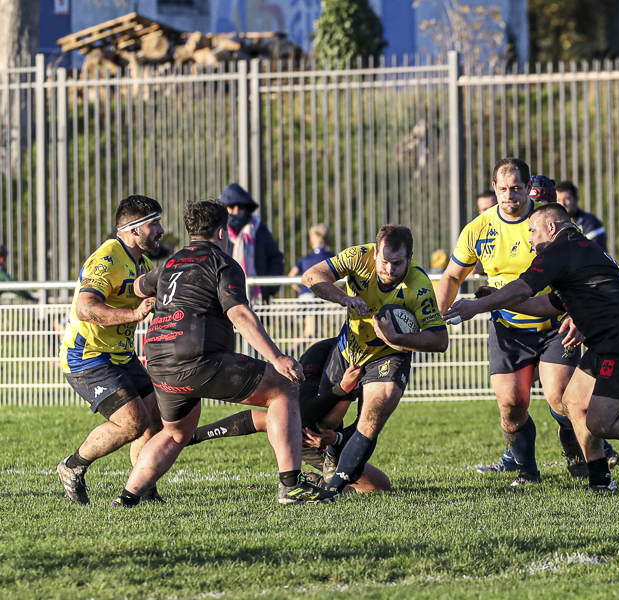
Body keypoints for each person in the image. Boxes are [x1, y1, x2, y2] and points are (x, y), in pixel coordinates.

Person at [443, 203, 619, 492]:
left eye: (532, 231)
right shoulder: (577, 248)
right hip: (610, 340)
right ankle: (600, 480)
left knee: (600, 423)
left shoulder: (560, 249)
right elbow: (548, 304)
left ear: (551, 228)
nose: (529, 239)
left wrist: (477, 305)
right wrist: (500, 298)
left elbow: (522, 288)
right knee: (574, 404)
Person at [115, 199, 336, 507]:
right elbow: (240, 315)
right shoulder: (222, 264)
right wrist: (277, 357)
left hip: (159, 361)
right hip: (199, 357)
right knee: (284, 387)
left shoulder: (169, 265)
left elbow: (139, 285)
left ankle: (127, 498)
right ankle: (290, 486)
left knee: (176, 432)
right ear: (223, 233)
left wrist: (146, 292)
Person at [439, 159, 588, 486]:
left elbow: (583, 271)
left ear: (528, 187)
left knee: (560, 397)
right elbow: (452, 275)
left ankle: (572, 443)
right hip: (507, 329)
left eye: (517, 188)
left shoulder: (549, 223)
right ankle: (527, 472)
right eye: (503, 189)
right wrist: (436, 315)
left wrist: (578, 313)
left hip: (554, 325)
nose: (510, 196)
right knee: (511, 408)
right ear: (494, 188)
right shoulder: (478, 228)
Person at [302, 224, 449, 493]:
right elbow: (312, 276)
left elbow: (440, 340)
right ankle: (335, 453)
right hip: (350, 350)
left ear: (410, 256)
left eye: (398, 263)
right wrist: (343, 298)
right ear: (375, 252)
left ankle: (333, 488)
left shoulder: (419, 287)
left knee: (371, 419)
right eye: (384, 261)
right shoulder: (358, 257)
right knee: (323, 423)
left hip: (389, 355)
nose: (390, 270)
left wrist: (397, 339)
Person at [56, 195, 165, 506]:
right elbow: (84, 308)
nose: (160, 229)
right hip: (88, 356)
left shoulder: (141, 262)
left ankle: (143, 489)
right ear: (132, 229)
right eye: (153, 223)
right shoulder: (107, 258)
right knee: (133, 422)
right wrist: (134, 314)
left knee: (155, 417)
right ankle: (72, 466)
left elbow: (141, 292)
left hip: (120, 355)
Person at [185, 337, 391, 494]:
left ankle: (319, 479)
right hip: (306, 434)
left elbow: (368, 426)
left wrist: (336, 439)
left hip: (330, 436)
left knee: (380, 486)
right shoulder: (321, 353)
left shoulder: (383, 365)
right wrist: (341, 390)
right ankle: (194, 435)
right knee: (284, 417)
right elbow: (304, 411)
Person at [220, 183, 285, 302]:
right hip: (225, 298)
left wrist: (267, 288)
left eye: (240, 206)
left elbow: (275, 259)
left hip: (258, 299)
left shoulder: (260, 229)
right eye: (231, 206)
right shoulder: (218, 231)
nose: (236, 210)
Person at [287, 224, 335, 339]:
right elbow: (341, 279)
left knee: (311, 331)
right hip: (319, 297)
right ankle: (291, 351)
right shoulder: (331, 257)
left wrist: (302, 289)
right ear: (328, 240)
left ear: (311, 241)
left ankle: (300, 352)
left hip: (304, 297)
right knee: (312, 332)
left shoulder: (305, 258)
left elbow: (291, 276)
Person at [556, 181, 607, 250]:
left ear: (576, 199)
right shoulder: (552, 225)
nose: (562, 204)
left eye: (566, 199)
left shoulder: (591, 223)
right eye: (558, 200)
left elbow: (595, 254)